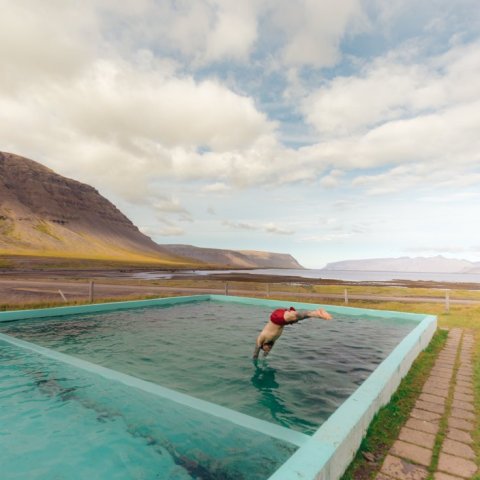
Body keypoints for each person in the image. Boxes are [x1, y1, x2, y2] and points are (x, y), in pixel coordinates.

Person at [253, 306, 332, 359]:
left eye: (266, 349)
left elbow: (256, 352)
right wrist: (264, 357)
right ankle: (316, 314)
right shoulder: (272, 341)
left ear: (263, 346)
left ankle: (316, 313)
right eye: (268, 349)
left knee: (296, 316)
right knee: (298, 318)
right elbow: (266, 353)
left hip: (276, 319)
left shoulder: (262, 338)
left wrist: (255, 360)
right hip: (282, 322)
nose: (268, 350)